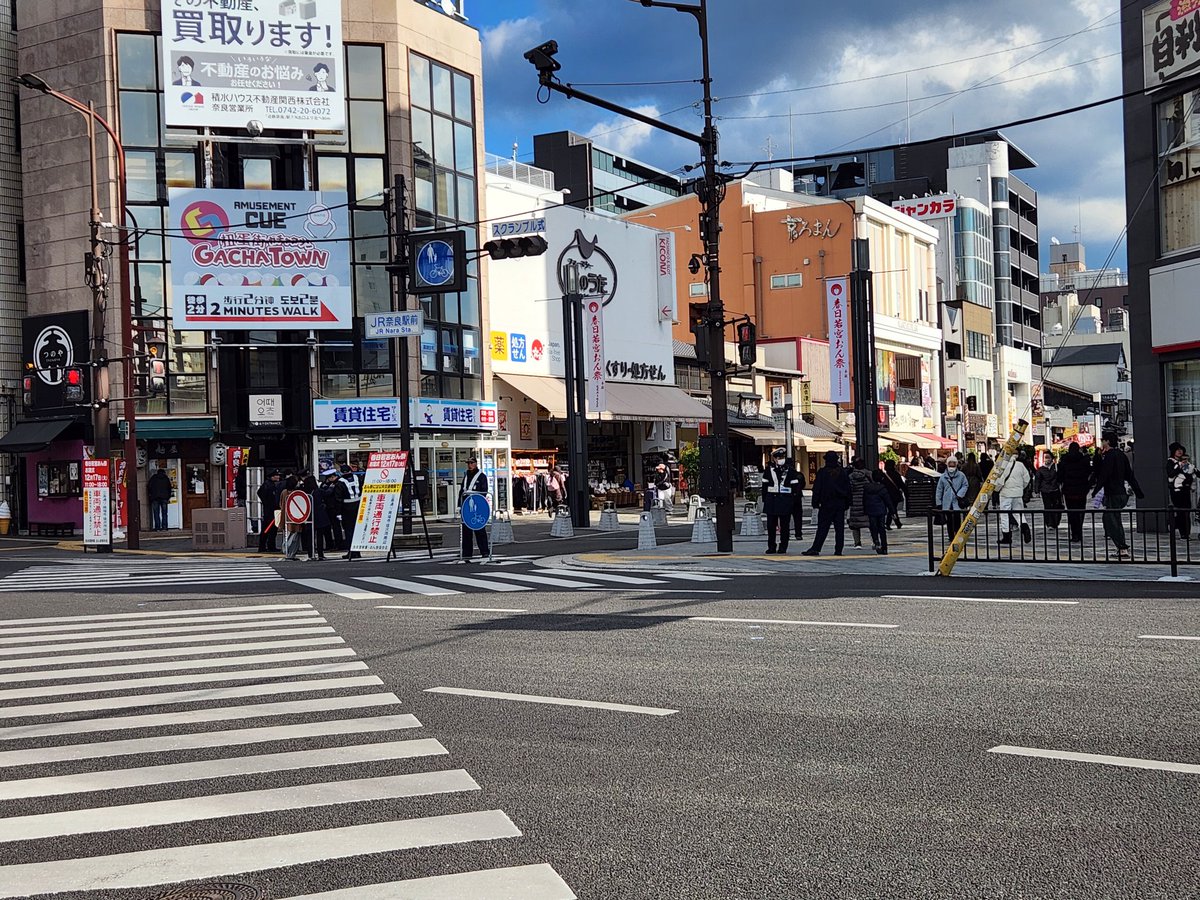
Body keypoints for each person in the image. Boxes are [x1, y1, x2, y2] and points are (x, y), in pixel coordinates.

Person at [1092, 433, 1144, 560]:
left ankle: (1122, 547)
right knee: (1113, 518)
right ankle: (1121, 547)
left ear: (1107, 441)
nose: (1101, 443)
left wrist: (1095, 489)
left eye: (1102, 440)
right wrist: (1138, 491)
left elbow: (1104, 474)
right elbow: (1129, 474)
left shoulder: (1110, 456)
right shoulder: (1121, 455)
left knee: (1111, 520)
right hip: (1122, 492)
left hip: (1113, 492)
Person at [802, 451, 851, 556]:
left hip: (826, 504)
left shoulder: (822, 472)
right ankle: (838, 550)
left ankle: (816, 548)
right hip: (840, 503)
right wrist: (847, 503)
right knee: (839, 528)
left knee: (822, 528)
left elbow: (817, 488)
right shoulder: (842, 472)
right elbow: (848, 489)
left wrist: (815, 502)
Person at [761, 448, 801, 554]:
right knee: (770, 525)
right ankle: (771, 546)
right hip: (772, 500)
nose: (780, 459)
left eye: (782, 457)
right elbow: (764, 486)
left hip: (785, 500)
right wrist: (765, 500)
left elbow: (796, 487)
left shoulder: (791, 471)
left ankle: (783, 546)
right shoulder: (769, 470)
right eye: (778, 458)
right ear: (774, 459)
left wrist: (793, 500)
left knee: (784, 526)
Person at [1058, 443, 1092, 544]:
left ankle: (1074, 535)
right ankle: (1079, 532)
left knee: (1072, 513)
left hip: (1069, 492)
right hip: (1081, 491)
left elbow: (1060, 476)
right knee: (1080, 512)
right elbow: (1089, 473)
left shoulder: (1064, 461)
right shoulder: (1084, 460)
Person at [995, 453, 1033, 545]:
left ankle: (1006, 536)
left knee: (1004, 514)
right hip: (1018, 493)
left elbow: (999, 480)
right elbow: (1027, 478)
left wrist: (996, 489)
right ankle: (1025, 528)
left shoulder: (1002, 465)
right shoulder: (1020, 465)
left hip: (1005, 493)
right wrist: (1021, 487)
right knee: (1018, 513)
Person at [459, 456, 490, 561]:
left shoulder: (481, 476)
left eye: (471, 463)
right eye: (468, 463)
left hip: (477, 505)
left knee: (479, 529)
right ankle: (467, 553)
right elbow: (461, 490)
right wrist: (460, 505)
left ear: (476, 463)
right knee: (466, 530)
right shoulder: (466, 475)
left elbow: (484, 491)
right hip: (466, 505)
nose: (469, 465)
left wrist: (481, 505)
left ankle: (485, 551)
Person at [934, 456, 969, 536]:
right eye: (950, 464)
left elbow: (965, 485)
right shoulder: (943, 477)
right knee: (949, 520)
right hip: (947, 502)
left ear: (956, 464)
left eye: (953, 464)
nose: (952, 466)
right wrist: (938, 502)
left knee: (957, 519)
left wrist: (960, 494)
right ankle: (951, 536)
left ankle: (957, 534)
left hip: (957, 501)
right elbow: (939, 490)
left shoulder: (961, 475)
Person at [1167, 442, 1194, 541]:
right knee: (1180, 511)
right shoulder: (1170, 462)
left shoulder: (1186, 462)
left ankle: (1186, 533)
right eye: (1177, 450)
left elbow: (1191, 473)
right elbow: (1170, 474)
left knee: (1186, 511)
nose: (1179, 451)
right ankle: (1181, 530)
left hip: (1185, 490)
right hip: (1176, 491)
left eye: (1181, 450)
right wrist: (1179, 466)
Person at [864, 470, 896, 554]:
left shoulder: (867, 488)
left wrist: (865, 509)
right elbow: (888, 501)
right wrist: (892, 511)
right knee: (882, 528)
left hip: (871, 510)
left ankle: (876, 541)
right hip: (881, 510)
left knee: (873, 527)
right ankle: (884, 547)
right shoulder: (882, 488)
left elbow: (864, 500)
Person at [336, 464, 363, 559]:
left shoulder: (340, 482)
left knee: (349, 531)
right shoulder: (357, 478)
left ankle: (351, 551)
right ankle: (358, 551)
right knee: (357, 530)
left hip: (346, 508)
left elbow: (338, 499)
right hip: (358, 506)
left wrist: (338, 513)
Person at [279, 475, 305, 561]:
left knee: (287, 534)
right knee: (295, 536)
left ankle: (287, 552)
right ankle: (291, 553)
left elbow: (280, 504)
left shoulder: (284, 492)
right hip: (297, 516)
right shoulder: (298, 492)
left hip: (286, 516)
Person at [847, 458, 871, 548]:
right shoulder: (868, 474)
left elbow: (849, 490)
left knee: (855, 525)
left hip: (855, 502)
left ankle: (857, 543)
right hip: (867, 501)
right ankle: (875, 540)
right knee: (870, 523)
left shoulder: (851, 476)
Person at [256, 469, 282, 553]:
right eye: (276, 475)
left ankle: (268, 546)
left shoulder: (270, 484)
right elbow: (262, 494)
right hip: (270, 511)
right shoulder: (268, 485)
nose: (278, 477)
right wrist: (267, 503)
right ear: (272, 476)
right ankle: (265, 546)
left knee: (271, 529)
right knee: (268, 529)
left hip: (271, 510)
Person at [1034, 456, 1064, 530]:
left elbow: (1060, 477)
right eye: (1046, 458)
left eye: (1049, 458)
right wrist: (1037, 491)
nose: (1047, 459)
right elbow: (1037, 480)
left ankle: (1055, 522)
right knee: (1047, 507)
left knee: (1056, 506)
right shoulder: (1041, 469)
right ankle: (1049, 523)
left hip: (1055, 489)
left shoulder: (1056, 467)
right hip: (1045, 490)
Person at [319, 469, 343, 553]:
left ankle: (338, 544)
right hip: (328, 508)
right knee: (329, 527)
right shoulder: (327, 484)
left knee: (336, 527)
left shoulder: (337, 484)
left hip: (334, 508)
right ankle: (331, 544)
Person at [146, 465, 172, 531]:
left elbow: (149, 486)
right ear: (164, 473)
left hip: (155, 498)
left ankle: (157, 527)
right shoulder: (166, 478)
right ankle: (164, 527)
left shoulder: (153, 478)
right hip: (164, 498)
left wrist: (151, 495)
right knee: (164, 513)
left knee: (156, 513)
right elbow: (169, 488)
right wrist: (168, 497)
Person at [881, 459, 905, 529]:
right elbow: (901, 484)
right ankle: (895, 523)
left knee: (891, 510)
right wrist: (906, 492)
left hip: (886, 495)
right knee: (893, 509)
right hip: (895, 495)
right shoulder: (896, 474)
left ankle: (892, 523)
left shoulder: (884, 475)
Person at [790, 461, 808, 542]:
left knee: (785, 518)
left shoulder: (785, 475)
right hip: (797, 498)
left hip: (786, 498)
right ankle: (798, 534)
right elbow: (803, 484)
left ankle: (786, 533)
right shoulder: (799, 475)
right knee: (798, 517)